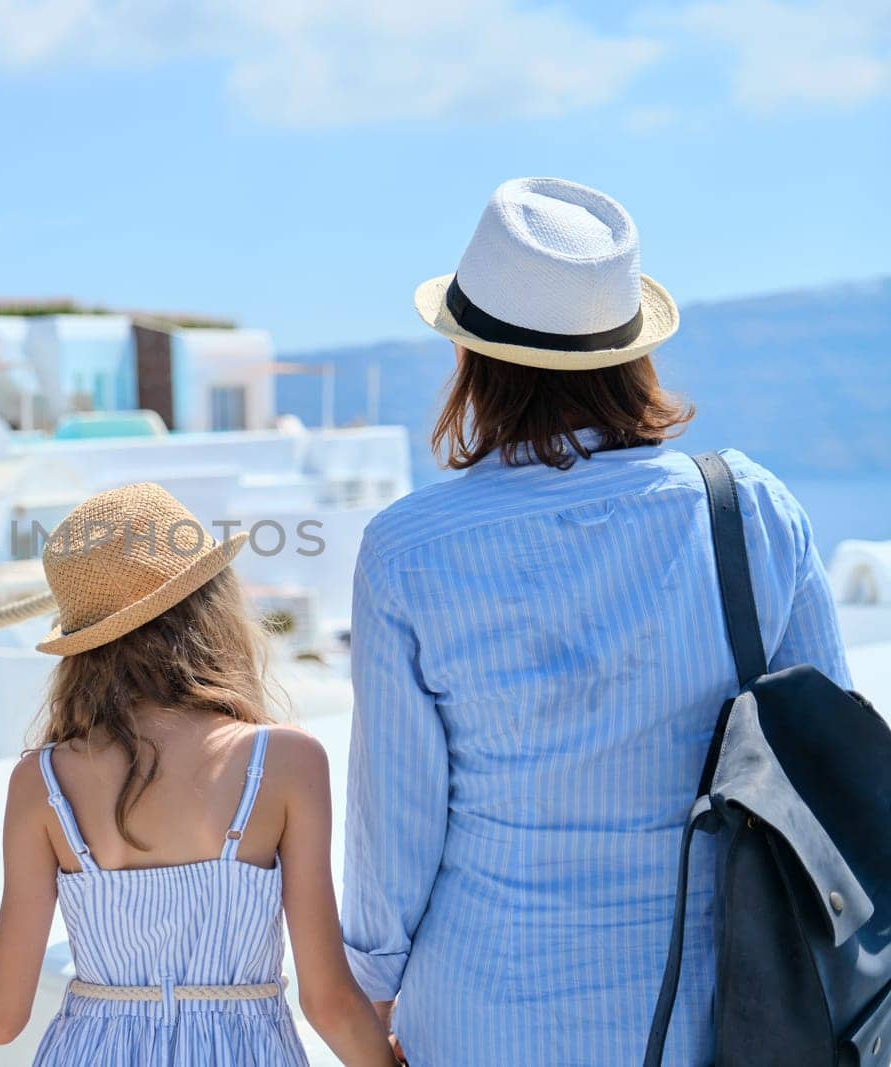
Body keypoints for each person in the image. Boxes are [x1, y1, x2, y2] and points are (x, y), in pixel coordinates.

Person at [340, 177, 853, 1065]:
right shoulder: (752, 509)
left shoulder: (407, 550)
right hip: (719, 1012)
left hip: (485, 1017)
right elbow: (828, 760)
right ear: (630, 355)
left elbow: (398, 829)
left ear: (473, 360)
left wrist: (372, 981)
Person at [0, 483, 395, 1066]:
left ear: (83, 646)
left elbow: (0, 1017)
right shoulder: (285, 763)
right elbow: (328, 1001)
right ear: (213, 607)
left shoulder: (44, 781)